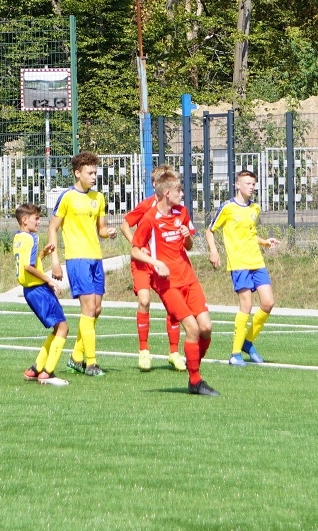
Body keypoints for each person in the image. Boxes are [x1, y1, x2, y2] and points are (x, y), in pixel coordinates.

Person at [131, 172, 219, 395]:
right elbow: (135, 250)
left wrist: (186, 235)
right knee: (192, 328)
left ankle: (193, 366)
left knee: (206, 328)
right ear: (167, 193)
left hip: (189, 278)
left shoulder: (182, 212)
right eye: (179, 190)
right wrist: (156, 263)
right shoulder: (150, 218)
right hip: (167, 284)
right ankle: (195, 380)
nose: (182, 194)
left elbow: (188, 246)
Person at [49, 151, 117, 377]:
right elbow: (53, 228)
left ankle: (76, 357)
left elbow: (101, 229)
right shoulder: (67, 197)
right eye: (90, 173)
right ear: (78, 173)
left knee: (96, 309)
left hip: (96, 258)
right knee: (88, 309)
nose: (94, 177)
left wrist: (109, 232)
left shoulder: (98, 198)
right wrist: (55, 261)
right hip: (77, 259)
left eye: (95, 173)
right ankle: (91, 363)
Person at [205, 170, 279, 367]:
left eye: (253, 184)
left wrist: (265, 242)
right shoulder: (227, 207)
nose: (251, 187)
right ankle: (235, 353)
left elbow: (250, 234)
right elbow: (210, 231)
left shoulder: (255, 208)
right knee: (246, 305)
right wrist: (214, 251)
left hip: (257, 261)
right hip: (239, 263)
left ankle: (248, 342)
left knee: (268, 303)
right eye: (247, 183)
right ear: (237, 185)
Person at [120, 164, 187, 372]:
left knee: (173, 305)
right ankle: (144, 350)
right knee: (144, 300)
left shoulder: (175, 210)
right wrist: (136, 244)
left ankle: (174, 352)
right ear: (156, 185)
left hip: (163, 264)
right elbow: (125, 224)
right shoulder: (147, 206)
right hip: (143, 263)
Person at [15, 203, 70, 386]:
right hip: (39, 289)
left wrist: (43, 255)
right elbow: (28, 267)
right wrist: (49, 281)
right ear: (25, 220)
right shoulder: (32, 238)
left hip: (29, 291)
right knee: (63, 328)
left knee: (57, 328)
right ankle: (48, 373)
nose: (39, 222)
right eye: (36, 218)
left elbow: (28, 261)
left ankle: (35, 369)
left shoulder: (18, 238)